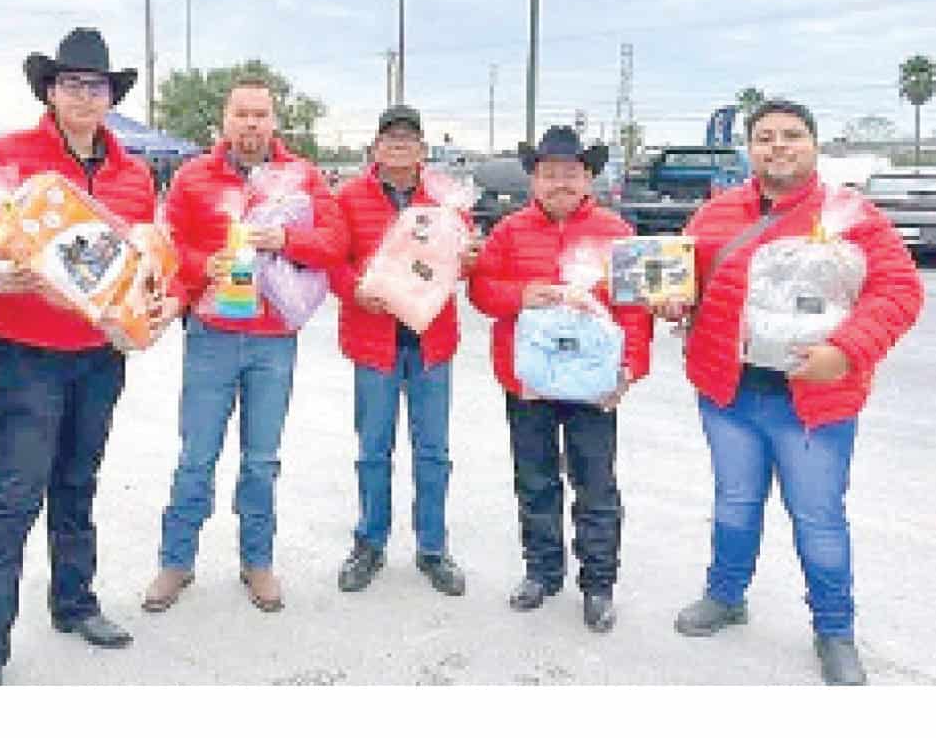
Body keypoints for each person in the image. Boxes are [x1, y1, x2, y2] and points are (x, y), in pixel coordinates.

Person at [659, 99, 922, 685]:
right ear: (749, 149)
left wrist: (847, 351)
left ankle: (834, 630)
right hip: (729, 395)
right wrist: (674, 300)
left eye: (792, 136)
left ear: (814, 145)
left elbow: (899, 292)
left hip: (814, 404)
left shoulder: (855, 216)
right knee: (734, 503)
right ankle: (726, 596)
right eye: (766, 137)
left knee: (819, 519)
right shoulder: (715, 214)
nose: (778, 146)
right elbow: (682, 280)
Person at [0, 28, 171, 686]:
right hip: (22, 355)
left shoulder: (132, 174)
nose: (84, 95)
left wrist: (153, 302)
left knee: (77, 486)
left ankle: (74, 602)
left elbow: (147, 259)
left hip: (99, 356)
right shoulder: (7, 157)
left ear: (110, 97)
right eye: (71, 83)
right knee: (13, 497)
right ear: (49, 90)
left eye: (95, 85)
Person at [142, 76, 347, 613]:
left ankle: (257, 561)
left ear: (275, 121)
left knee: (260, 460)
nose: (252, 124)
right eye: (242, 114)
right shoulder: (192, 178)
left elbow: (335, 243)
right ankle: (176, 561)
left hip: (273, 341)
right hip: (212, 337)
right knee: (196, 457)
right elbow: (169, 247)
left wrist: (287, 239)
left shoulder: (301, 177)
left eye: (261, 114)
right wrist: (196, 266)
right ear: (225, 120)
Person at [469, 125, 652, 633]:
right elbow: (482, 292)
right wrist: (520, 295)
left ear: (589, 177)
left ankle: (598, 585)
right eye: (549, 174)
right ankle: (542, 573)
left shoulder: (617, 233)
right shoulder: (508, 232)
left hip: (595, 383)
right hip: (529, 380)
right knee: (535, 481)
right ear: (533, 180)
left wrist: (630, 367)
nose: (560, 183)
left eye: (570, 173)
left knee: (596, 485)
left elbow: (636, 310)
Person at [329, 104, 478, 596]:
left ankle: (433, 548)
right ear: (375, 147)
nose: (398, 147)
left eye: (408, 140)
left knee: (433, 452)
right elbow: (333, 263)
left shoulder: (449, 200)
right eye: (390, 139)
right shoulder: (349, 197)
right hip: (375, 342)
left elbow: (465, 263)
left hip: (432, 342)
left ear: (423, 150)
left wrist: (470, 260)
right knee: (373, 450)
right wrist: (356, 289)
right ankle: (369, 543)